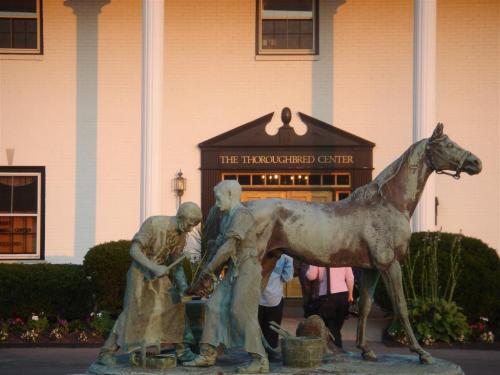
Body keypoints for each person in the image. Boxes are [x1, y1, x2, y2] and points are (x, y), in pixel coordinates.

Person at [96, 202, 203, 366]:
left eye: (194, 225)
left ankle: (183, 351)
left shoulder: (181, 235)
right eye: (190, 223)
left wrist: (183, 287)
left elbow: (177, 263)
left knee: (175, 307)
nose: (190, 229)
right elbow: (134, 250)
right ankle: (106, 352)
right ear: (182, 217)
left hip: (160, 276)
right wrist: (153, 267)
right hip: (140, 274)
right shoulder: (153, 223)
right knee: (134, 313)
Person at [184, 180, 269, 374]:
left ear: (231, 195)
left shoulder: (242, 215)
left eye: (219, 197)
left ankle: (260, 359)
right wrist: (211, 254)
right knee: (213, 306)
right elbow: (221, 246)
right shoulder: (226, 217)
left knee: (241, 311)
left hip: (247, 270)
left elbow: (229, 247)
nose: (216, 202)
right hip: (234, 271)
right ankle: (207, 354)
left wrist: (209, 270)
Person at [305, 265, 354, 349]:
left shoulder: (319, 258)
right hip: (343, 295)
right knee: (337, 326)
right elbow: (350, 277)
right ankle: (336, 348)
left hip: (326, 297)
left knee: (331, 326)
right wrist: (350, 294)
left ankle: (336, 349)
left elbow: (311, 276)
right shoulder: (342, 257)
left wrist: (311, 265)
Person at [258, 254, 294, 353]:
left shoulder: (260, 251)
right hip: (275, 298)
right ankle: (270, 356)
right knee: (272, 333)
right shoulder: (285, 256)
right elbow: (287, 278)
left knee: (257, 332)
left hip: (257, 298)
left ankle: (258, 355)